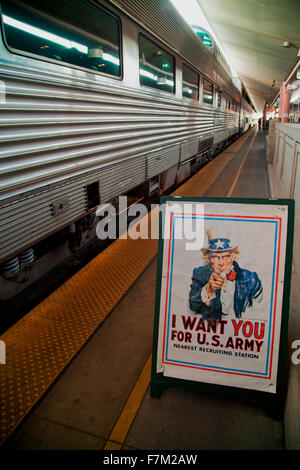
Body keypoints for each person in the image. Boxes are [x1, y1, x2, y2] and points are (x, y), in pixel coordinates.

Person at [189, 234, 262, 319]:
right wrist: (208, 289)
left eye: (226, 256)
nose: (221, 263)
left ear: (233, 257)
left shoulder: (250, 279)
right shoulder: (199, 274)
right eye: (215, 257)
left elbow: (260, 310)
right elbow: (193, 307)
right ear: (208, 259)